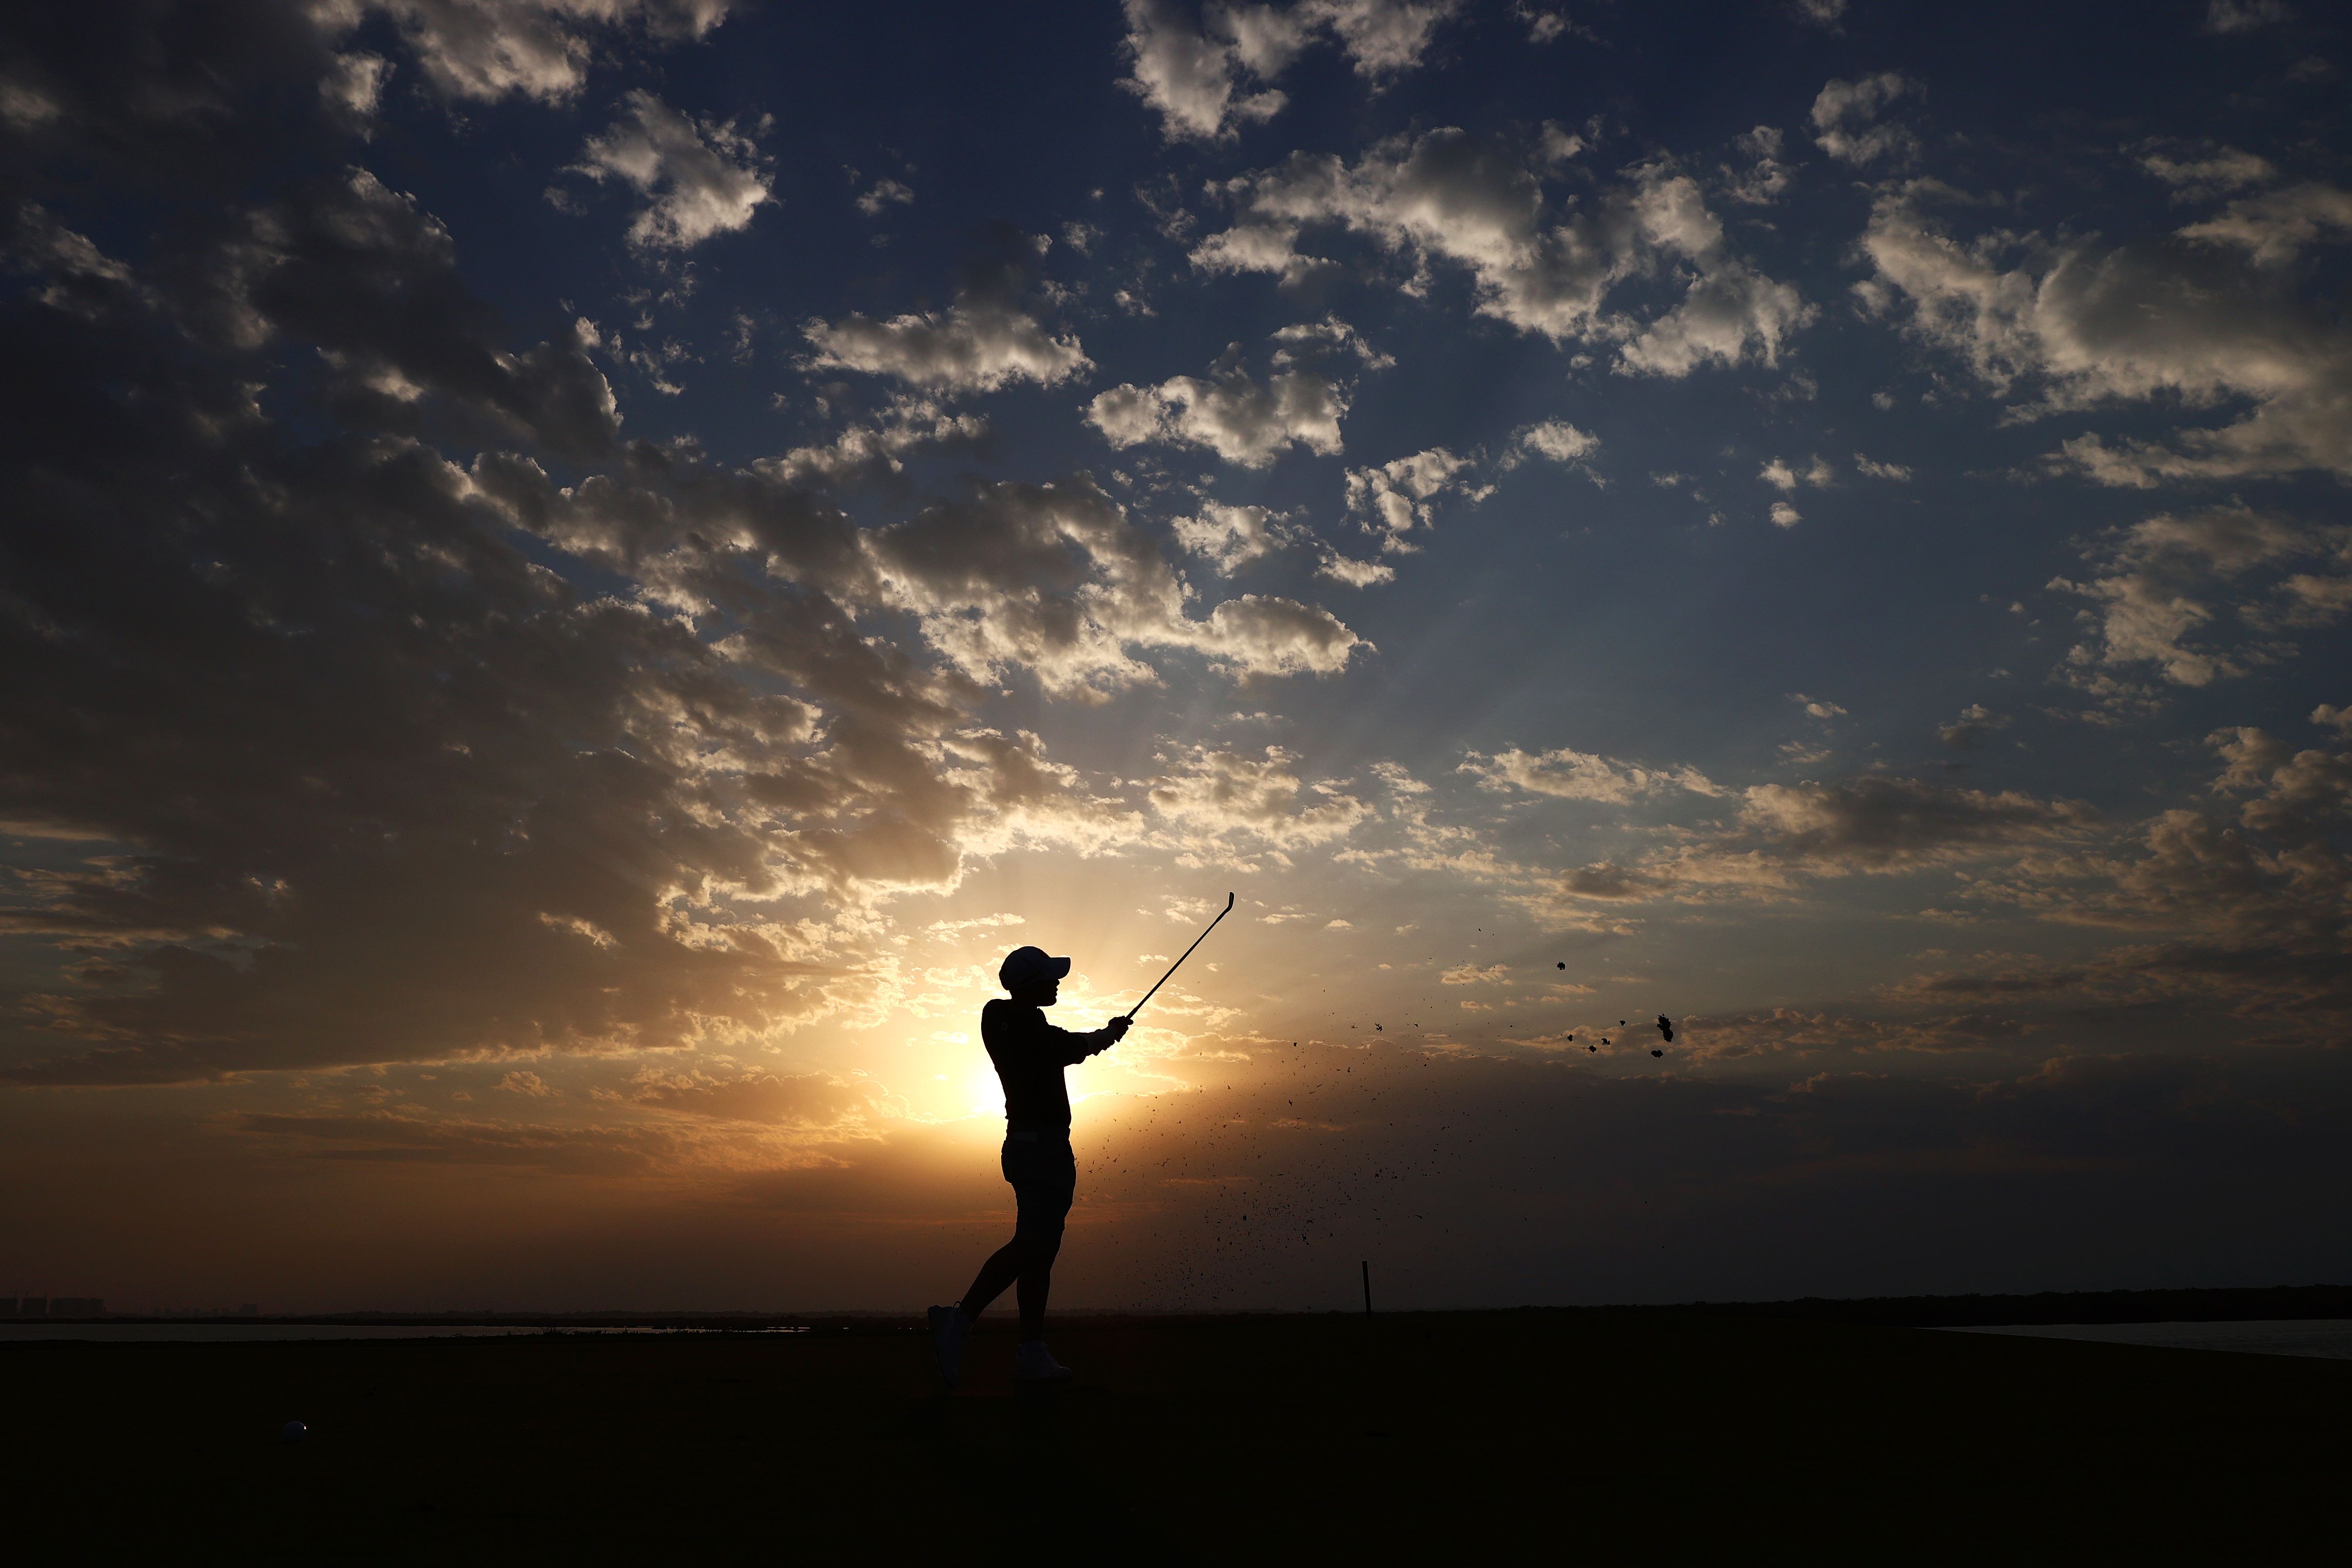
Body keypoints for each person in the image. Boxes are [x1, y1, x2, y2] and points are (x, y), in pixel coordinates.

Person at [928, 944, 1130, 1387]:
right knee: (1035, 1244)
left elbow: (1059, 1044)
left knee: (1041, 1249)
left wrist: (1100, 1037)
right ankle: (959, 1320)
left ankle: (1031, 1353)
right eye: (1049, 977)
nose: (1057, 983)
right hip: (1039, 1147)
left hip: (1034, 1144)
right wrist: (1107, 1036)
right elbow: (1067, 1047)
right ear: (1028, 984)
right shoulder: (1020, 1022)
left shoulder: (1004, 1019)